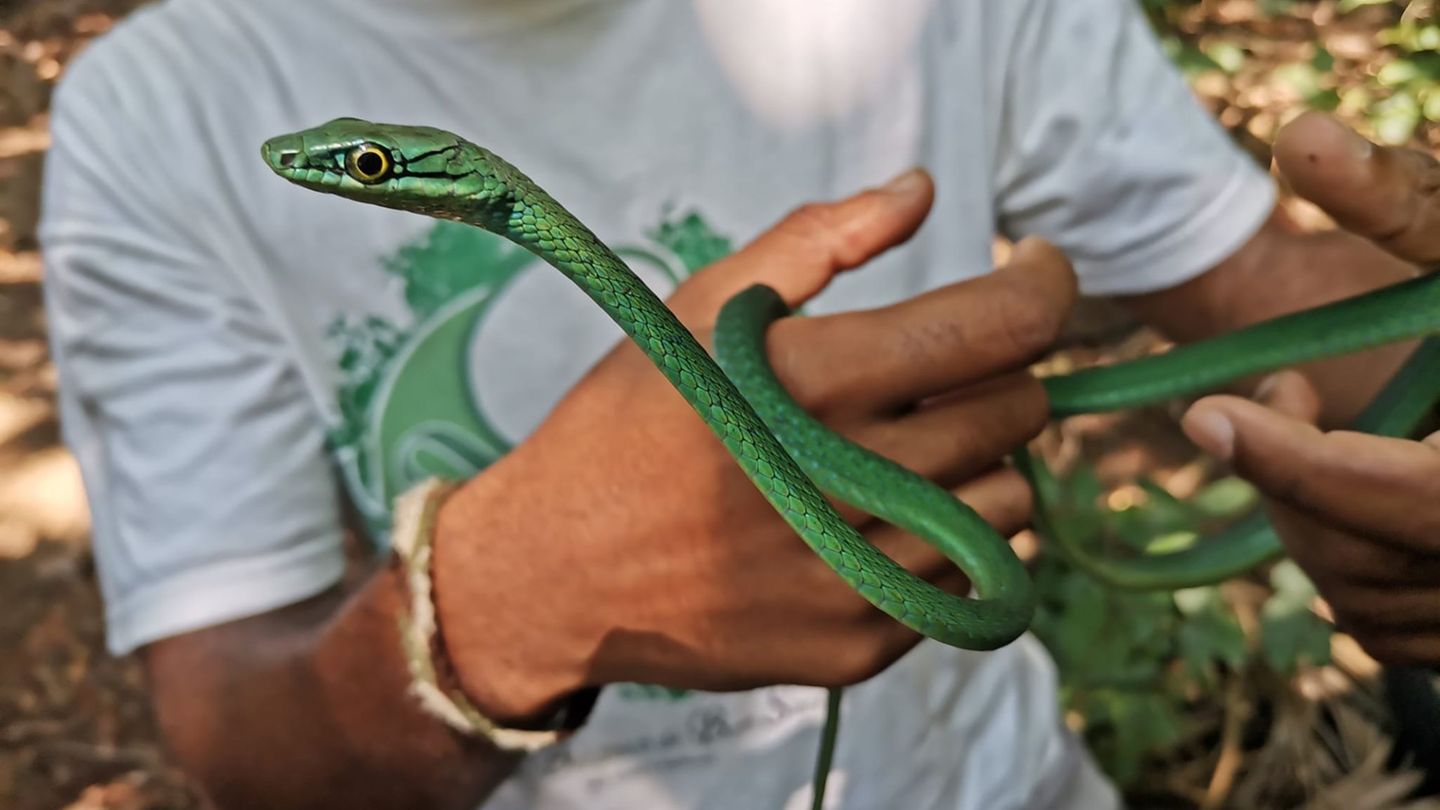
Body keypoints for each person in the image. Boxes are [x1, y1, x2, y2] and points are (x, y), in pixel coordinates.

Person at [37, 0, 1435, 808]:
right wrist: (489, 610)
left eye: (361, 167)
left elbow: (1259, 278)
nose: (344, 174)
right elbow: (235, 730)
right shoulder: (165, 109)